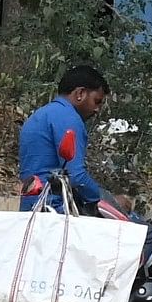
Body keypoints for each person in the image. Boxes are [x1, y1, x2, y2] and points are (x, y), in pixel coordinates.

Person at [17, 64, 113, 215]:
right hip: (55, 208)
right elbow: (76, 176)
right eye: (97, 101)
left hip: (31, 205)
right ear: (80, 93)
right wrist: (103, 199)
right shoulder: (69, 118)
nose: (97, 110)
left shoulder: (40, 115)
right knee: (148, 236)